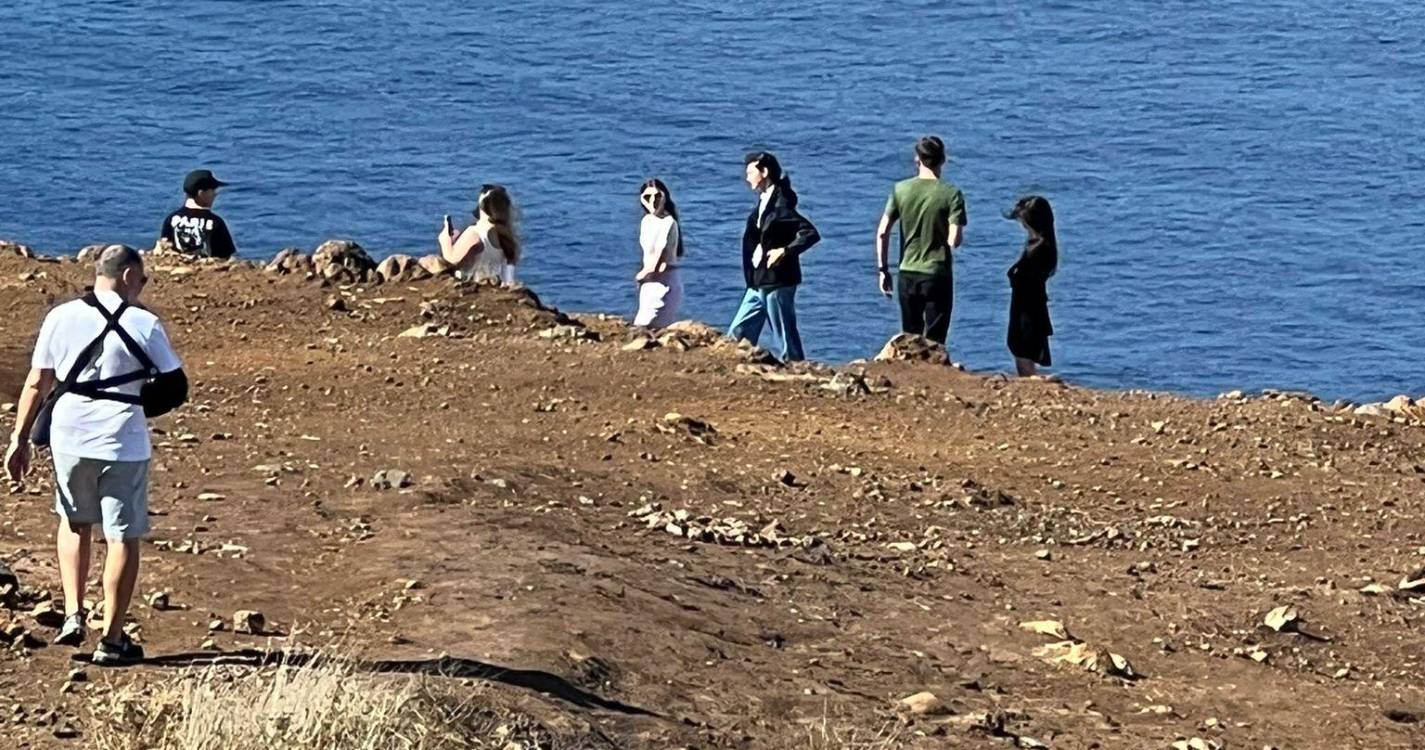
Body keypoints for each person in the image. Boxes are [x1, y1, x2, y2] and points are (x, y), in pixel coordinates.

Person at [4, 245, 187, 666]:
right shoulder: (145, 323)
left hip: (70, 436)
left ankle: (73, 612)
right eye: (142, 280)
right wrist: (144, 401)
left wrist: (17, 438)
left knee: (74, 522)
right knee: (123, 536)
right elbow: (176, 385)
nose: (143, 288)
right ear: (126, 276)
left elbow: (37, 382)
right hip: (123, 439)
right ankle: (112, 638)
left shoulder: (60, 317)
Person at [874, 136, 968, 346]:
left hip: (907, 273)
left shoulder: (900, 189)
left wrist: (883, 270)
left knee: (910, 338)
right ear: (943, 160)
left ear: (918, 159)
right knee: (935, 341)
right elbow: (954, 240)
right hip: (937, 274)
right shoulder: (951, 194)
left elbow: (882, 232)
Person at [728, 152, 820, 362]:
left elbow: (809, 233)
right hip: (758, 280)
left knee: (785, 336)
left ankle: (796, 370)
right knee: (738, 331)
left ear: (765, 172)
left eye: (751, 172)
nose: (747, 177)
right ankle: (734, 365)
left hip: (777, 280)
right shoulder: (764, 202)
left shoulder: (781, 204)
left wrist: (784, 251)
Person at [1005, 195, 1059, 376]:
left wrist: (1015, 273)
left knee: (1022, 347)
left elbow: (1024, 276)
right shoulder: (1042, 245)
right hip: (1030, 304)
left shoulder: (1038, 249)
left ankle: (1030, 380)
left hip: (1028, 306)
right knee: (1021, 347)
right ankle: (1029, 379)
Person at [438, 184, 521, 286]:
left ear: (482, 207)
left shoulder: (475, 232)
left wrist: (444, 240)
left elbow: (451, 259)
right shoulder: (505, 235)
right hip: (494, 284)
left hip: (472, 284)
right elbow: (508, 275)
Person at [634, 179, 685, 330]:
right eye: (647, 197)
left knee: (647, 326)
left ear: (665, 197)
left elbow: (659, 257)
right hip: (649, 284)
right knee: (645, 327)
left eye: (657, 196)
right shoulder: (646, 221)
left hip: (664, 283)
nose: (652, 202)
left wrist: (640, 276)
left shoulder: (668, 223)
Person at [159, 169, 237, 259]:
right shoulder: (216, 222)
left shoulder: (171, 219)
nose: (215, 194)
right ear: (201, 193)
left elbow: (165, 248)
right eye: (212, 190)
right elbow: (225, 256)